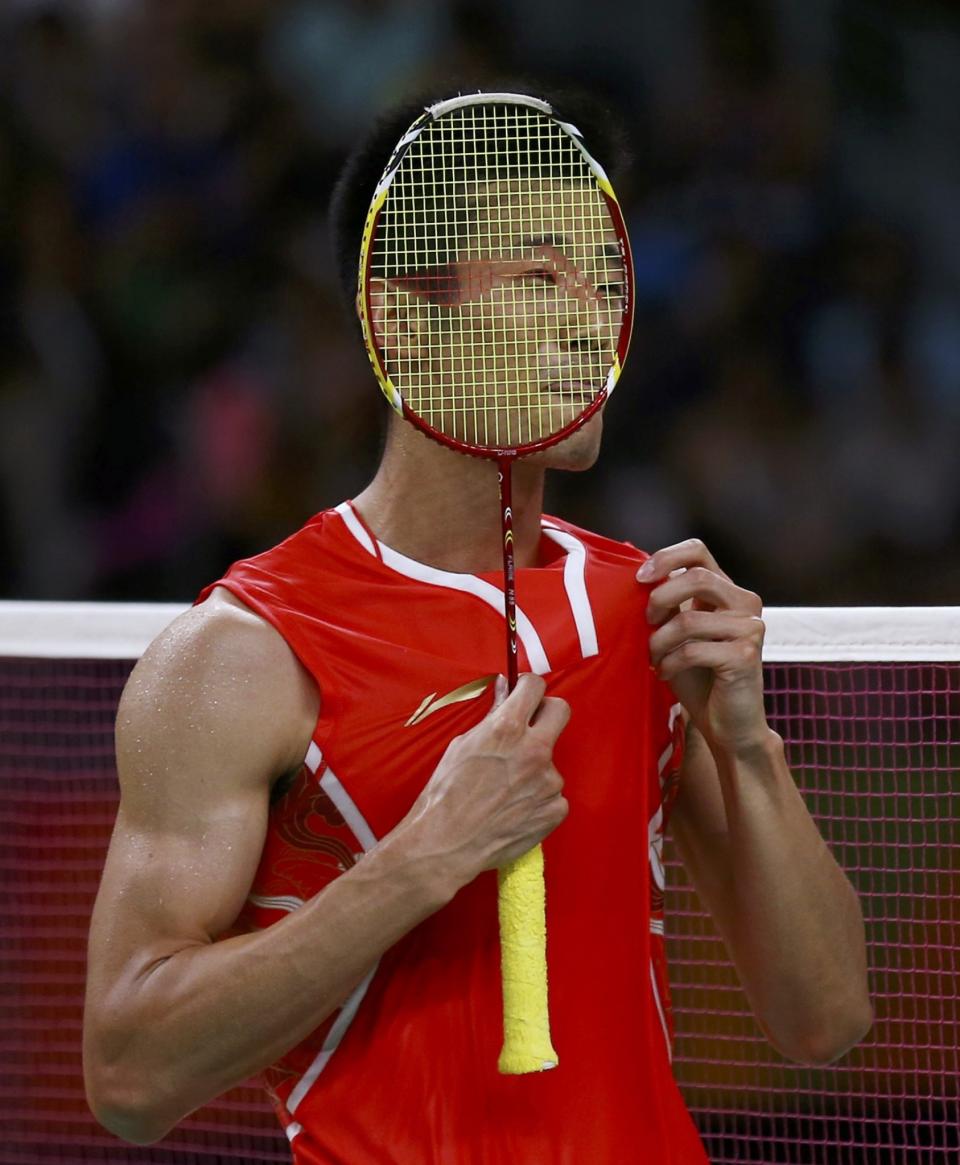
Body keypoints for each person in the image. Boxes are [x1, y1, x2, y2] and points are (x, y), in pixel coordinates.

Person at [83, 84, 872, 1165]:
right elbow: (128, 1074)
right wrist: (420, 861)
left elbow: (824, 1021)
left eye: (603, 278)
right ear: (402, 320)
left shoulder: (647, 614)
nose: (590, 317)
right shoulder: (244, 653)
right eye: (540, 273)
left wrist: (749, 747)